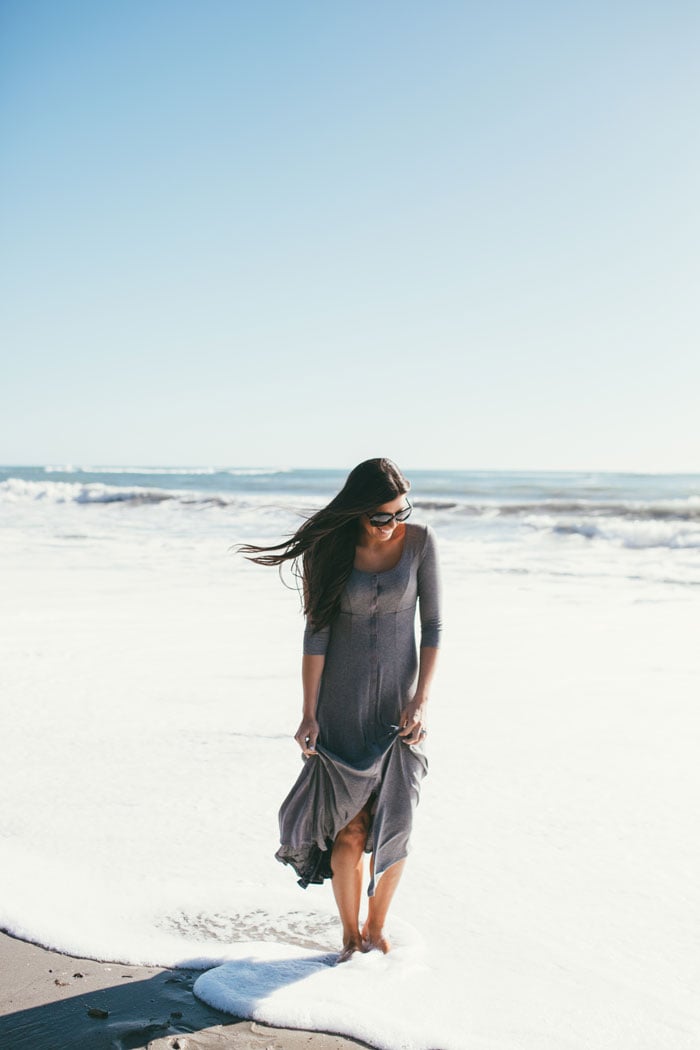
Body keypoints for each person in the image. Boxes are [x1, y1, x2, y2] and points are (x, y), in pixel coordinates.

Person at [239, 457, 442, 963]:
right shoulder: (329, 553)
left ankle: (378, 929)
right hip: (341, 708)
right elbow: (316, 635)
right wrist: (308, 713)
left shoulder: (420, 544)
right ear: (357, 512)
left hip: (399, 710)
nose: (392, 524)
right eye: (381, 516)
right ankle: (350, 938)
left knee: (394, 823)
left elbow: (434, 627)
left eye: (401, 512)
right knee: (350, 828)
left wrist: (421, 700)